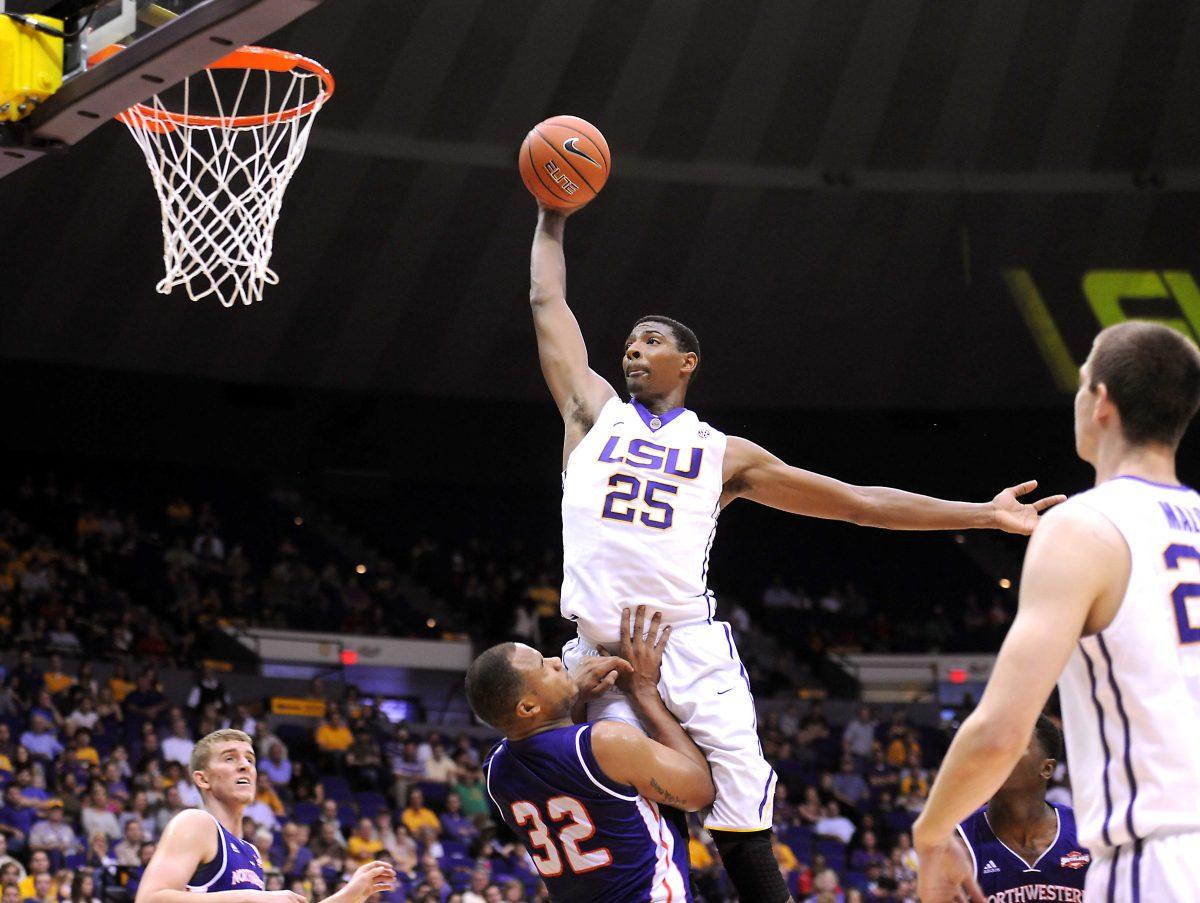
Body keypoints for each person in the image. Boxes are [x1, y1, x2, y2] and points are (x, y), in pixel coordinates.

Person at [527, 204, 1063, 901]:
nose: (632, 348)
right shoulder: (589, 411)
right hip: (601, 652)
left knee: (741, 814)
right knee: (634, 815)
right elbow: (547, 299)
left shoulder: (724, 455)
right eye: (628, 340)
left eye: (650, 340)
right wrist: (551, 215)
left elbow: (858, 502)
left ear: (686, 363)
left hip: (686, 645)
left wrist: (983, 514)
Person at [913, 322, 1200, 902]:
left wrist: (932, 834)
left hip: (1159, 855)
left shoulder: (1085, 525)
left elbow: (1002, 731)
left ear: (1100, 402)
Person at [467, 606, 715, 901]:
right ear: (529, 708)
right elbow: (701, 790)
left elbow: (552, 752)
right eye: (543, 667)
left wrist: (574, 695)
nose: (557, 661)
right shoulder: (606, 743)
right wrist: (644, 693)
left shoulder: (496, 771)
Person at [132, 728, 396, 903]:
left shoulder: (251, 853)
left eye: (250, 759)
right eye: (230, 758)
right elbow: (149, 899)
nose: (245, 765)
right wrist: (251, 898)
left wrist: (348, 894)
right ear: (203, 779)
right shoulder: (196, 823)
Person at [954, 716, 1089, 902]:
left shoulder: (1084, 831)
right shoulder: (961, 842)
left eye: (1015, 746)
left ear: (1047, 768)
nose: (997, 754)